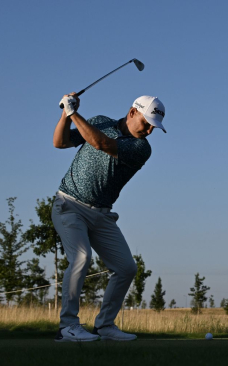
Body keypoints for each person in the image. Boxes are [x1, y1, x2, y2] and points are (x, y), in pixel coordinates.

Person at [51, 92, 166, 342]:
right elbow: (60, 142)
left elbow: (101, 143)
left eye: (153, 128)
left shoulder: (141, 148)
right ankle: (67, 326)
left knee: (126, 268)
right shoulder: (99, 121)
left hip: (102, 215)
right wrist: (66, 115)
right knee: (81, 257)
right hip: (69, 205)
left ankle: (104, 325)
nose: (148, 131)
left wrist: (73, 112)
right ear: (132, 112)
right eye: (146, 123)